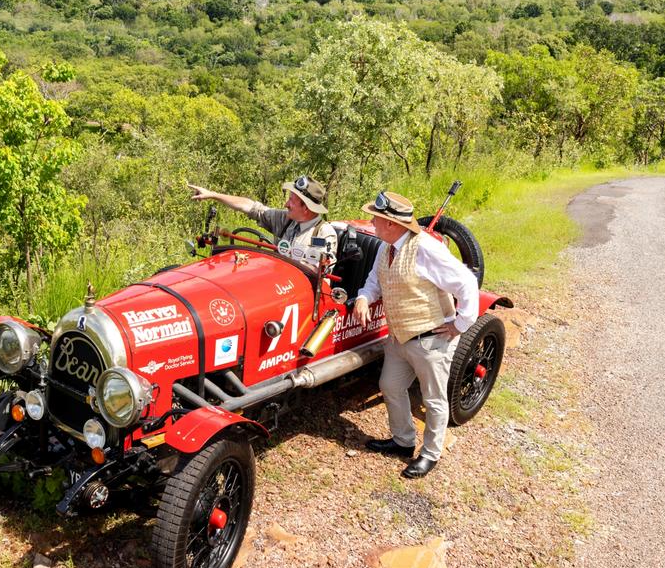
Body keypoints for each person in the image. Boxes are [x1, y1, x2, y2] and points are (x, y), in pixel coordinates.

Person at [351, 190, 479, 479]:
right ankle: (402, 441)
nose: (371, 220)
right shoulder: (387, 247)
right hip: (399, 337)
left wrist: (460, 324)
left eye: (377, 217)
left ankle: (430, 454)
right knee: (390, 386)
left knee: (434, 399)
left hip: (431, 338)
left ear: (391, 224)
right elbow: (375, 280)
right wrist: (363, 298)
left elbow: (467, 283)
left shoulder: (425, 248)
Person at [187, 175, 337, 257]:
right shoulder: (287, 220)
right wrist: (213, 195)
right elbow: (252, 207)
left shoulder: (323, 234)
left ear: (306, 207)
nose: (286, 205)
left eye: (291, 201)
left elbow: (319, 274)